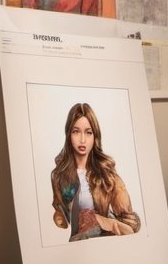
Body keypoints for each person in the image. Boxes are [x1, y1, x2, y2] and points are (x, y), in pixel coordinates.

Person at [50, 102, 141, 239]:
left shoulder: (107, 175)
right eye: (76, 132)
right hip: (77, 246)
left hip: (104, 244)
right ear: (68, 135)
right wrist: (60, 215)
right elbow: (63, 219)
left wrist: (99, 220)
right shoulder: (59, 175)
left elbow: (130, 224)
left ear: (95, 136)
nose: (82, 140)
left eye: (88, 133)